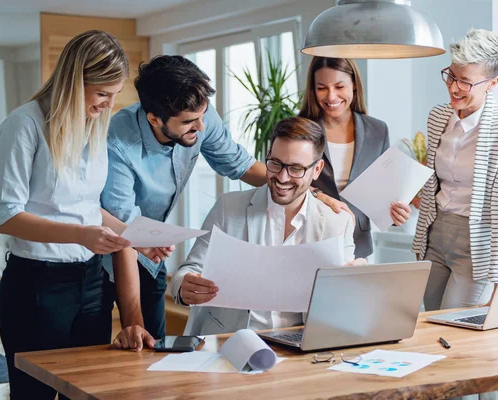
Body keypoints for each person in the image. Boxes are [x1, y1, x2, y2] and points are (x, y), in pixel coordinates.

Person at [103, 56, 351, 350]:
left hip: (152, 254)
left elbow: (239, 164)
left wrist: (311, 192)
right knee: (128, 349)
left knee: (154, 348)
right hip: (108, 248)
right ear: (155, 119)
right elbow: (127, 237)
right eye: (189, 122)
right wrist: (132, 323)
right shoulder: (119, 143)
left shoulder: (198, 112)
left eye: (203, 114)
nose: (202, 125)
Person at [0, 31, 131, 399]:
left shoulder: (94, 127)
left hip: (91, 282)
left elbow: (84, 206)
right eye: (101, 94)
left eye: (114, 96)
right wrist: (81, 235)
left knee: (86, 390)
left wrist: (132, 236)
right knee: (34, 394)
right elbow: (6, 216)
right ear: (73, 80)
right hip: (37, 286)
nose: (108, 106)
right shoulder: (23, 126)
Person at [170, 117, 363, 335]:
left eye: (296, 168)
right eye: (276, 163)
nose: (282, 177)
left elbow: (344, 304)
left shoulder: (338, 223)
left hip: (301, 349)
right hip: (231, 341)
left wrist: (356, 286)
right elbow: (187, 271)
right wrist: (184, 286)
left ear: (317, 170)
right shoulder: (228, 207)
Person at [412, 29, 498, 313]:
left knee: (456, 329)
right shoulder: (438, 115)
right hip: (434, 235)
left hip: (475, 245)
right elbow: (432, 182)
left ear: (492, 83)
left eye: (465, 82)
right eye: (451, 76)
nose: (454, 88)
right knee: (430, 323)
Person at [299, 57, 411, 259]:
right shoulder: (300, 129)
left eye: (339, 86)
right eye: (322, 88)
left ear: (354, 86)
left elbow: (384, 190)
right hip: (308, 238)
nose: (331, 96)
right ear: (313, 90)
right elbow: (284, 182)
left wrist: (396, 214)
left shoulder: (377, 130)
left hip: (357, 244)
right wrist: (318, 195)